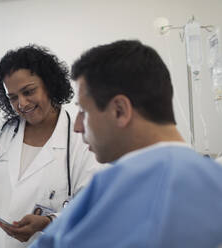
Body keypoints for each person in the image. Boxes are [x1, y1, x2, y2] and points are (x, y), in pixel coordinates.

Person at [30, 40, 222, 248]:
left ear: (119, 110)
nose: (77, 126)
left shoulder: (111, 189)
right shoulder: (215, 178)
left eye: (84, 111)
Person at [0, 45, 107, 248]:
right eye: (12, 97)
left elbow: (91, 206)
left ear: (50, 84)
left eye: (28, 91)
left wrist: (48, 222)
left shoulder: (80, 139)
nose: (22, 103)